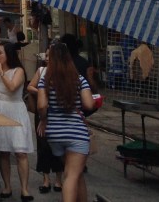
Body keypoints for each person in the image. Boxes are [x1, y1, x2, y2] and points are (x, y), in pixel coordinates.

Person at [37, 41, 95, 202]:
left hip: (54, 134)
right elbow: (89, 104)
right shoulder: (79, 79)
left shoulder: (45, 80)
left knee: (76, 174)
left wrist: (43, 120)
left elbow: (41, 105)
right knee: (71, 176)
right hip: (76, 134)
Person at [0, 42, 35, 200]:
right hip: (0, 110)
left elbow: (12, 87)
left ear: (9, 54)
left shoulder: (18, 70)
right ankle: (7, 186)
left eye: (0, 53)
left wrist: (1, 72)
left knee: (21, 152)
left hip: (16, 111)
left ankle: (24, 189)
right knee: (3, 152)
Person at [27, 51, 64, 194]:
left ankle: (59, 179)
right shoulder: (41, 70)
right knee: (43, 145)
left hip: (58, 114)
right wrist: (41, 92)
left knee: (58, 146)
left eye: (50, 55)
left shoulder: (64, 73)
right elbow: (30, 86)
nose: (47, 58)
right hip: (42, 112)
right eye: (46, 56)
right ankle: (46, 179)